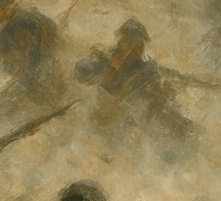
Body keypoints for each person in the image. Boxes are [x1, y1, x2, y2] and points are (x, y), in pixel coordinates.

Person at [75, 18, 195, 151]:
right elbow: (81, 71)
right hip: (106, 124)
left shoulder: (146, 70)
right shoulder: (107, 58)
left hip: (133, 126)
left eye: (140, 43)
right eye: (131, 42)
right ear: (122, 40)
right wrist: (107, 72)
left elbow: (166, 95)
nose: (138, 48)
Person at [0, 0, 67, 118]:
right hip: (36, 71)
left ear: (8, 5)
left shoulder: (23, 22)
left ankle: (47, 106)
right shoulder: (21, 17)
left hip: (38, 73)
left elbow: (24, 58)